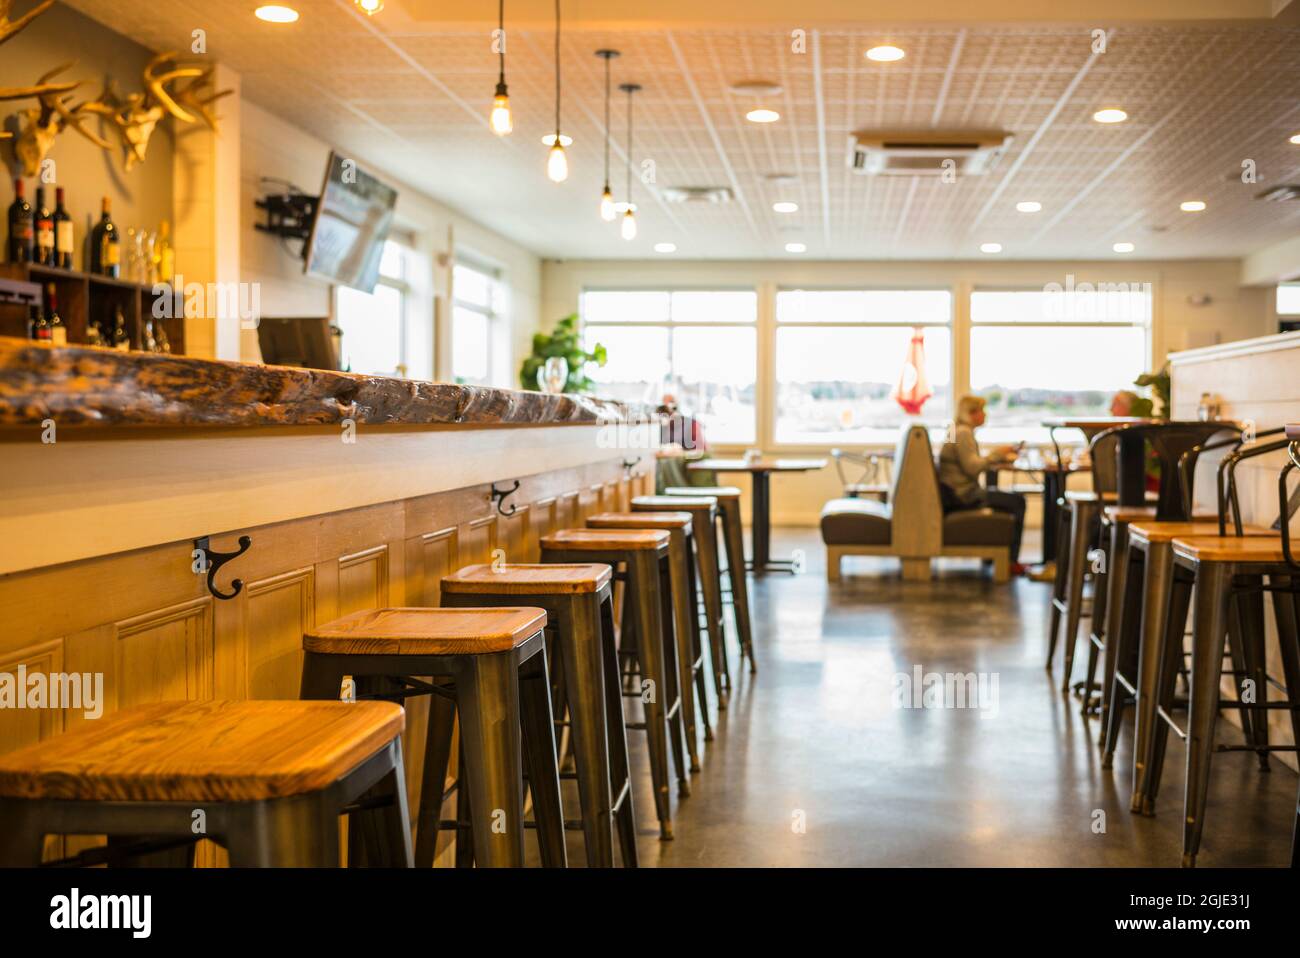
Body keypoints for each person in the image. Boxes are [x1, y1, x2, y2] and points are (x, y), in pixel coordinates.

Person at [938, 395, 1028, 576]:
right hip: (964, 495)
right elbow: (973, 468)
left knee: (1006, 500)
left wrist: (994, 457)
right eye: (982, 411)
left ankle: (994, 555)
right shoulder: (963, 433)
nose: (985, 415)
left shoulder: (955, 430)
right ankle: (1010, 561)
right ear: (971, 413)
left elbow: (967, 462)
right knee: (1018, 502)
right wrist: (997, 454)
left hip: (952, 492)